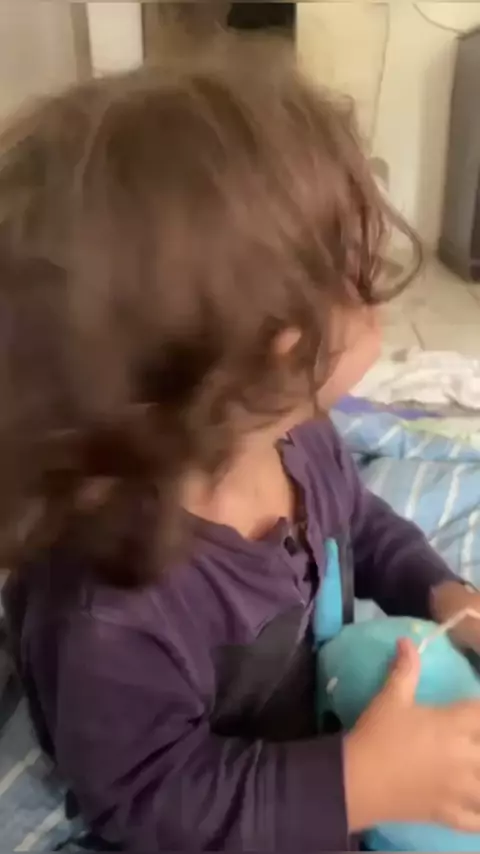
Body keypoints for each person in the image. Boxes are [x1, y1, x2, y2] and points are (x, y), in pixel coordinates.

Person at [2, 36, 480, 853]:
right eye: (359, 273)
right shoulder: (110, 612)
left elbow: (359, 527)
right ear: (282, 353)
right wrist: (357, 785)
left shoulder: (295, 435)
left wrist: (442, 596)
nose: (380, 296)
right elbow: (150, 803)